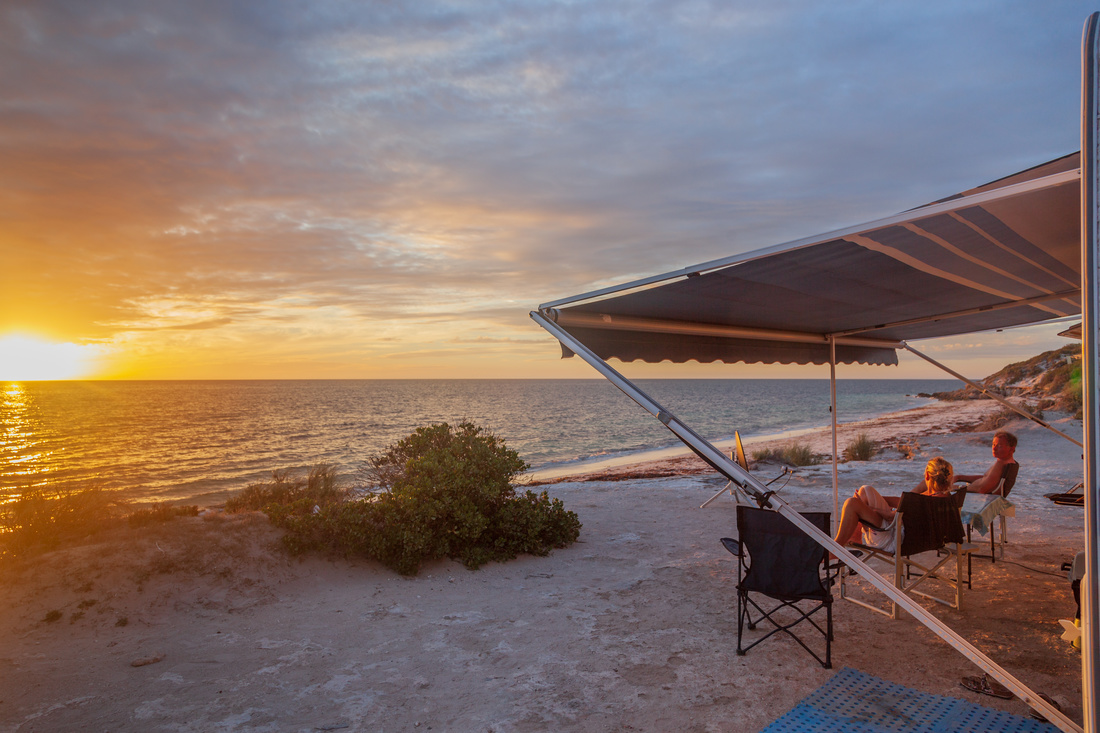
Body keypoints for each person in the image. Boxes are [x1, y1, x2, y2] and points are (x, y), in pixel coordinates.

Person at [832, 457, 955, 552]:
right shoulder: (944, 499)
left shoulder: (923, 500)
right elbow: (904, 502)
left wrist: (870, 508)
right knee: (866, 490)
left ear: (927, 475)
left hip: (893, 540)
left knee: (852, 503)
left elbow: (891, 517)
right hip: (912, 539)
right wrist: (878, 499)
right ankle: (855, 536)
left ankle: (835, 549)